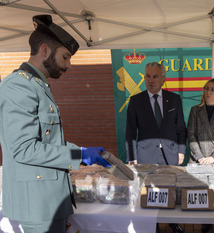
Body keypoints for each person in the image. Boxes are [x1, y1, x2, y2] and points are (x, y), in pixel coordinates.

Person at [0, 15, 109, 233]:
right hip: (38, 206)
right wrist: (79, 156)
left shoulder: (37, 85)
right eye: (66, 57)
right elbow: (24, 149)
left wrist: (81, 151)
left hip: (48, 201)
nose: (69, 65)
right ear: (45, 50)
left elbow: (48, 140)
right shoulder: (19, 86)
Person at [125, 62, 186, 233]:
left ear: (163, 79)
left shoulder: (174, 99)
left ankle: (173, 221)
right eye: (147, 76)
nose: (150, 80)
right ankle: (154, 225)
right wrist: (132, 157)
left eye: (155, 76)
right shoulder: (136, 101)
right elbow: (130, 131)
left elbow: (180, 127)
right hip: (146, 156)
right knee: (151, 191)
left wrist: (181, 150)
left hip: (170, 154)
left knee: (170, 188)